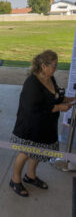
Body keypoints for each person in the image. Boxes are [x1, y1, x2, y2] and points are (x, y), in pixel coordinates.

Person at [9, 50, 74, 197]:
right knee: (25, 153)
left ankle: (30, 176)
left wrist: (67, 99)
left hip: (46, 125)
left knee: (39, 151)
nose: (55, 69)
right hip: (30, 126)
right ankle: (15, 179)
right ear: (44, 65)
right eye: (54, 66)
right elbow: (32, 107)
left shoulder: (51, 78)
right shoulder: (32, 82)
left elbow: (55, 96)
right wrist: (58, 108)